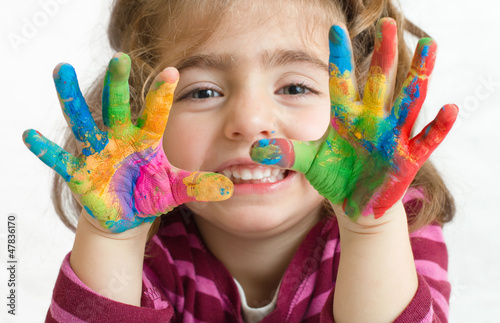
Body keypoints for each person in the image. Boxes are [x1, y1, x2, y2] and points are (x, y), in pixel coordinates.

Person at [22, 0, 458, 321]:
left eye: (295, 87)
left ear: (362, 99)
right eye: (203, 92)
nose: (250, 123)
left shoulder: (401, 224)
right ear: (141, 112)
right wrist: (113, 241)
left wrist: (371, 230)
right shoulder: (149, 247)